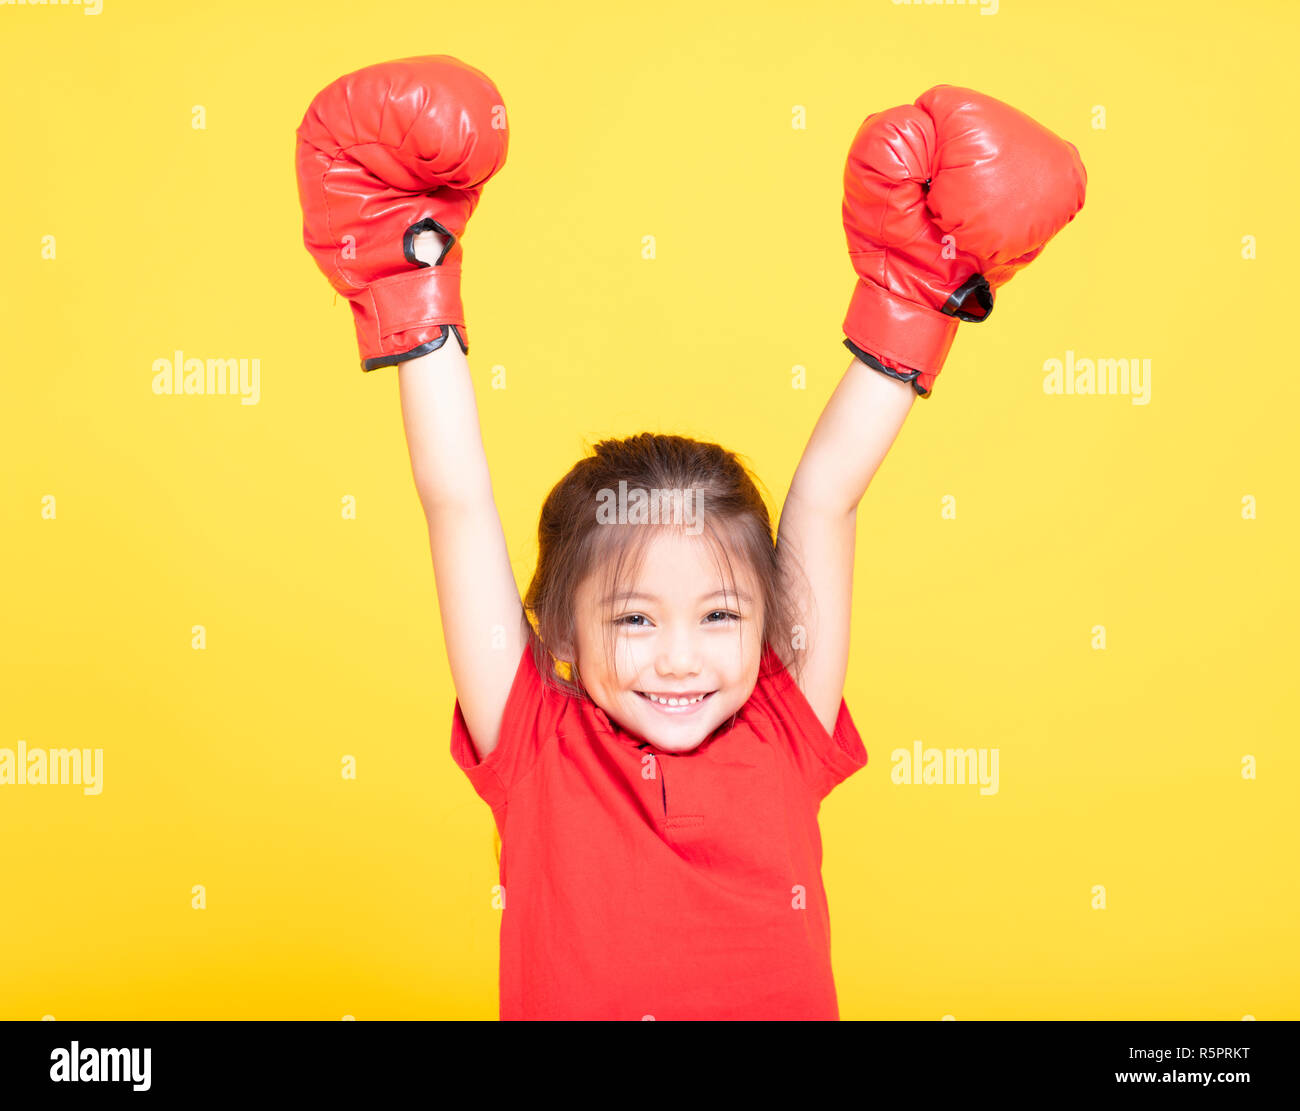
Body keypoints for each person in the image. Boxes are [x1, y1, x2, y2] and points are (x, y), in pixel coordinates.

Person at [294, 56, 1086, 1020]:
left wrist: (915, 297)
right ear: (558, 637)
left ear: (766, 623)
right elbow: (455, 499)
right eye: (632, 617)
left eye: (719, 613)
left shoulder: (788, 723)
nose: (681, 657)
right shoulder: (537, 741)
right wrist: (405, 269)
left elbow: (828, 497)